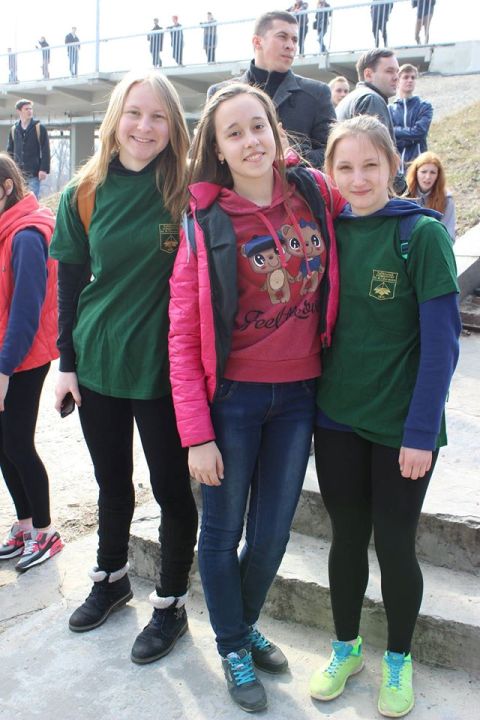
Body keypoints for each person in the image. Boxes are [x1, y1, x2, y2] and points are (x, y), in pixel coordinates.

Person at [169, 82, 343, 713]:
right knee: (222, 532)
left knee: (271, 535)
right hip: (233, 401)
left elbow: (372, 198)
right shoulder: (205, 221)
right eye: (234, 132)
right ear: (217, 148)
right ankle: (234, 645)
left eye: (258, 126)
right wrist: (197, 434)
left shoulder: (313, 193)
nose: (250, 141)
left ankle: (237, 627)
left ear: (276, 130)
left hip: (299, 395)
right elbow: (182, 334)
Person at [309, 115, 460, 718]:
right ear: (329, 172)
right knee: (345, 539)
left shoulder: (420, 235)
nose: (359, 178)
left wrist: (421, 432)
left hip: (403, 428)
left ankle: (398, 658)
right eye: (345, 167)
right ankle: (345, 648)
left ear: (394, 165)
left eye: (370, 165)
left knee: (394, 545)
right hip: (337, 419)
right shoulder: (328, 232)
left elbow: (442, 345)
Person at [50, 71, 198, 665]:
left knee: (171, 489)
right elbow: (69, 283)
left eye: (158, 116)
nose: (144, 126)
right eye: (135, 113)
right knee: (111, 482)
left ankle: (171, 603)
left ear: (174, 126)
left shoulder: (188, 189)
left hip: (165, 371)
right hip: (98, 362)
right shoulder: (83, 192)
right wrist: (66, 363)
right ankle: (111, 578)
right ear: (116, 117)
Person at [0, 153, 63, 572]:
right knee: (3, 445)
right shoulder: (6, 229)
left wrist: (4, 369)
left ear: (6, 187)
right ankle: (24, 524)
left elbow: (25, 311)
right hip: (6, 354)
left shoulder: (25, 235)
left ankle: (44, 530)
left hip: (22, 356)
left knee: (18, 444)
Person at [208, 11, 335, 169]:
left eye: (295, 39)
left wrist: (291, 154)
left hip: (295, 184)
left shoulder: (317, 93)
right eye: (282, 37)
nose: (291, 46)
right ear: (257, 42)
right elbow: (207, 152)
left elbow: (332, 154)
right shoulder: (220, 94)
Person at [336, 48, 406, 194]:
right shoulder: (371, 99)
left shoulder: (351, 98)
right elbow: (378, 154)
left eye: (397, 72)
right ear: (368, 74)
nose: (396, 77)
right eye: (389, 71)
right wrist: (403, 191)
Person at [389, 63, 433, 173]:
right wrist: (411, 138)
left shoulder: (424, 107)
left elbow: (420, 132)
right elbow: (388, 136)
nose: (410, 80)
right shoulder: (389, 109)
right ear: (398, 81)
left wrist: (396, 131)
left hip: (418, 164)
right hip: (395, 166)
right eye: (406, 77)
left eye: (413, 77)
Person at [406, 151, 456, 242]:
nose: (428, 177)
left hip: (434, 244)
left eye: (432, 172)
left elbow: (448, 235)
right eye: (423, 172)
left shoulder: (447, 199)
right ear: (416, 173)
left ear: (438, 175)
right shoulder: (404, 195)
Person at [7, 99, 51, 199]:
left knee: (32, 200)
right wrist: (9, 170)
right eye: (26, 109)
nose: (29, 111)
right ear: (19, 111)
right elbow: (10, 152)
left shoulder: (39, 128)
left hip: (34, 174)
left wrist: (43, 169)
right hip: (17, 174)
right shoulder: (14, 129)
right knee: (18, 200)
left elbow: (46, 150)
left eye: (31, 109)